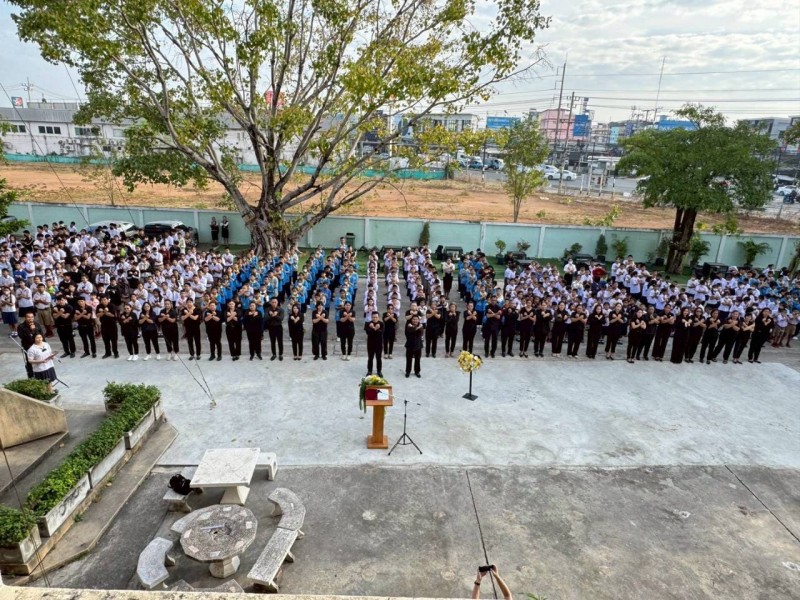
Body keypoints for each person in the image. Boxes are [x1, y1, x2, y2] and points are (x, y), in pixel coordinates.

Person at [364, 311, 384, 376]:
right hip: (370, 343)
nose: (375, 318)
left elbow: (381, 332)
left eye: (376, 317)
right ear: (371, 317)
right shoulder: (368, 323)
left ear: (378, 317)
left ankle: (379, 371)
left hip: (379, 344)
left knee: (379, 358)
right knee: (370, 358)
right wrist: (373, 328)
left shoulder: (381, 324)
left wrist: (376, 328)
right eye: (373, 317)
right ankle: (369, 371)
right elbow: (368, 333)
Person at [404, 313, 423, 378]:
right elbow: (411, 330)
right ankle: (408, 371)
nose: (415, 320)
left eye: (416, 319)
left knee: (417, 360)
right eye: (414, 319)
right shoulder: (408, 325)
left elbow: (420, 332)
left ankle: (417, 371)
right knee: (409, 359)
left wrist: (414, 327)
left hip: (418, 345)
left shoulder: (421, 325)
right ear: (411, 320)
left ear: (418, 320)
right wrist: (417, 327)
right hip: (410, 344)